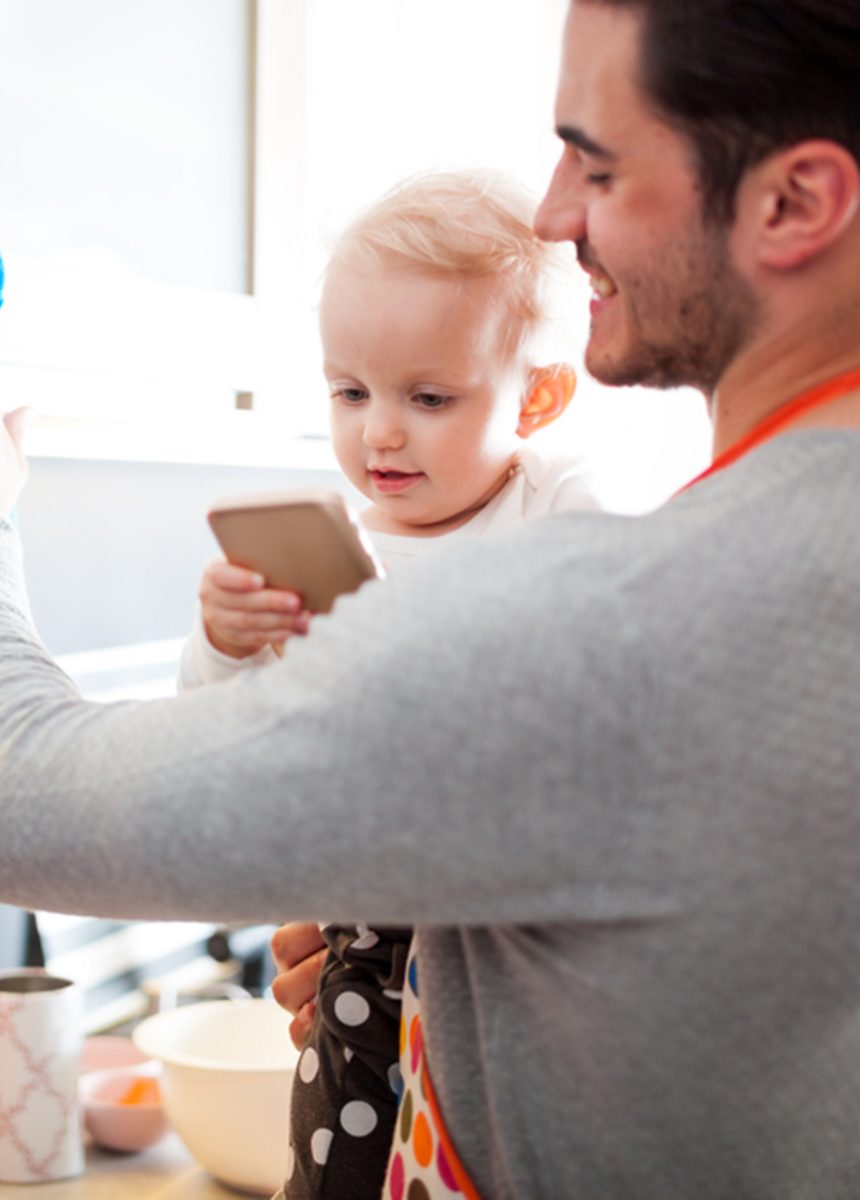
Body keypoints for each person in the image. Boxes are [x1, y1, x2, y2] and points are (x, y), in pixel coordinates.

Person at [0, 0, 860, 1196]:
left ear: (794, 202)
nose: (553, 214)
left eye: (595, 163)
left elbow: (9, 804)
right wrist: (461, 972)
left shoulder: (610, 624)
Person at [177, 171, 601, 1200]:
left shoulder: (560, 509)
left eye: (429, 397)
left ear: (537, 396)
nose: (380, 432)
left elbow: (595, 679)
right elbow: (203, 733)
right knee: (340, 1162)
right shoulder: (327, 540)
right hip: (355, 950)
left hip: (504, 967)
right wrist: (229, 642)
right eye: (349, 391)